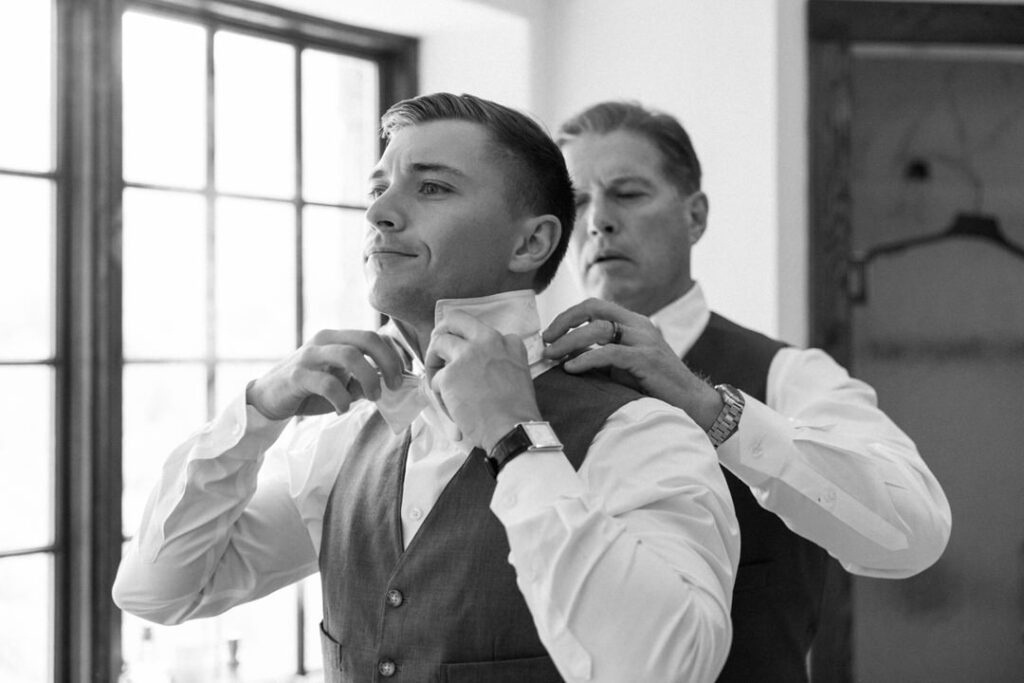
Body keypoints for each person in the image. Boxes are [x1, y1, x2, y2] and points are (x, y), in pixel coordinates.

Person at [112, 93, 741, 682]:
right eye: (379, 188)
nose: (379, 211)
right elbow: (159, 591)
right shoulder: (344, 444)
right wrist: (256, 413)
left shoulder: (637, 432)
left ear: (532, 242)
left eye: (432, 187)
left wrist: (515, 437)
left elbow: (672, 665)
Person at [544, 101, 952, 682]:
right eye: (578, 201)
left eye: (628, 194)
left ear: (696, 216)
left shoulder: (789, 374)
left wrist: (715, 413)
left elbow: (915, 535)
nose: (598, 221)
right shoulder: (526, 387)